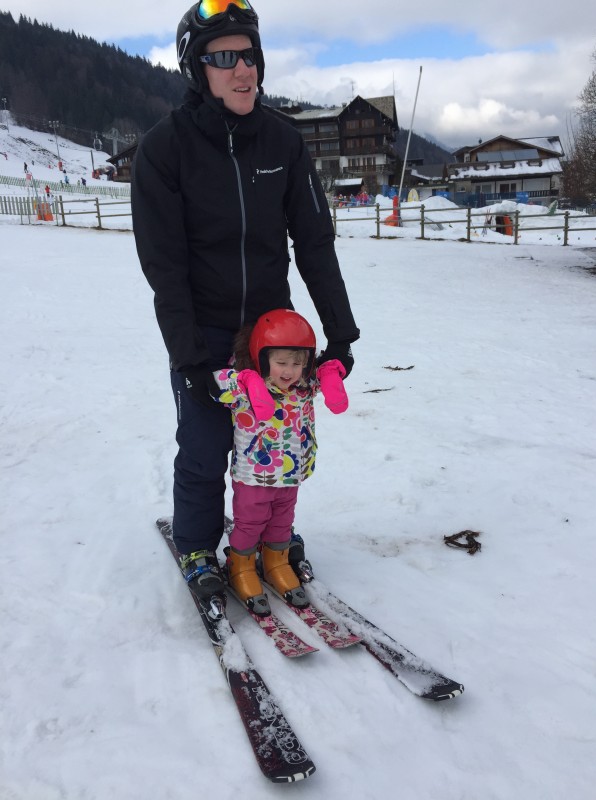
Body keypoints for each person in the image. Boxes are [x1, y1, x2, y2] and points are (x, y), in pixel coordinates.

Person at [131, 0, 359, 604]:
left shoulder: (282, 141)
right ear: (196, 69)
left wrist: (340, 335)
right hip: (204, 331)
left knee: (278, 446)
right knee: (206, 448)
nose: (243, 70)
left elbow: (314, 241)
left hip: (270, 336)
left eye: (250, 54)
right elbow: (165, 267)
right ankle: (201, 545)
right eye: (224, 57)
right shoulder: (164, 150)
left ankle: (268, 537)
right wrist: (189, 358)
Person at [211, 309, 348, 614]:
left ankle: (276, 562)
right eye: (281, 362)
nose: (289, 371)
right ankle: (241, 566)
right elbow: (217, 383)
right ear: (262, 358)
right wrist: (246, 378)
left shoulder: (302, 388)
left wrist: (330, 372)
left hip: (292, 474)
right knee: (250, 523)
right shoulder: (245, 387)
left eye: (298, 363)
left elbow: (325, 375)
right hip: (253, 476)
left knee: (282, 521)